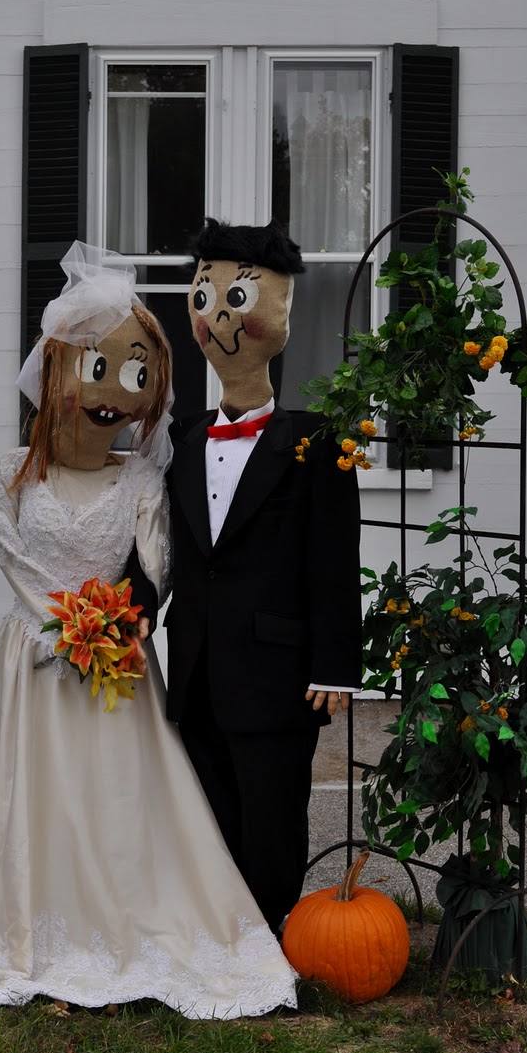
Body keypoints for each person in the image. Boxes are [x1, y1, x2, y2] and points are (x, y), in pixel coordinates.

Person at [0, 242, 297, 1018]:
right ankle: (15, 923)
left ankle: (134, 922)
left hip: (116, 662)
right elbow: (5, 547)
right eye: (101, 368)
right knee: (22, 794)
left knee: (118, 801)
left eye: (139, 375)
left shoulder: (141, 477)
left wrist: (109, 622)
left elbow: (159, 563)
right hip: (31, 657)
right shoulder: (13, 472)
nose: (118, 391)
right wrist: (59, 622)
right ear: (56, 370)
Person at [164, 217, 362, 935]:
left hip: (278, 673)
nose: (215, 315)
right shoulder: (185, 437)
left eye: (234, 298)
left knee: (272, 811)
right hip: (195, 666)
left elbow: (335, 560)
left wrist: (335, 666)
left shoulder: (314, 441)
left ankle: (272, 935)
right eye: (203, 296)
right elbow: (171, 549)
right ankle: (220, 933)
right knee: (209, 807)